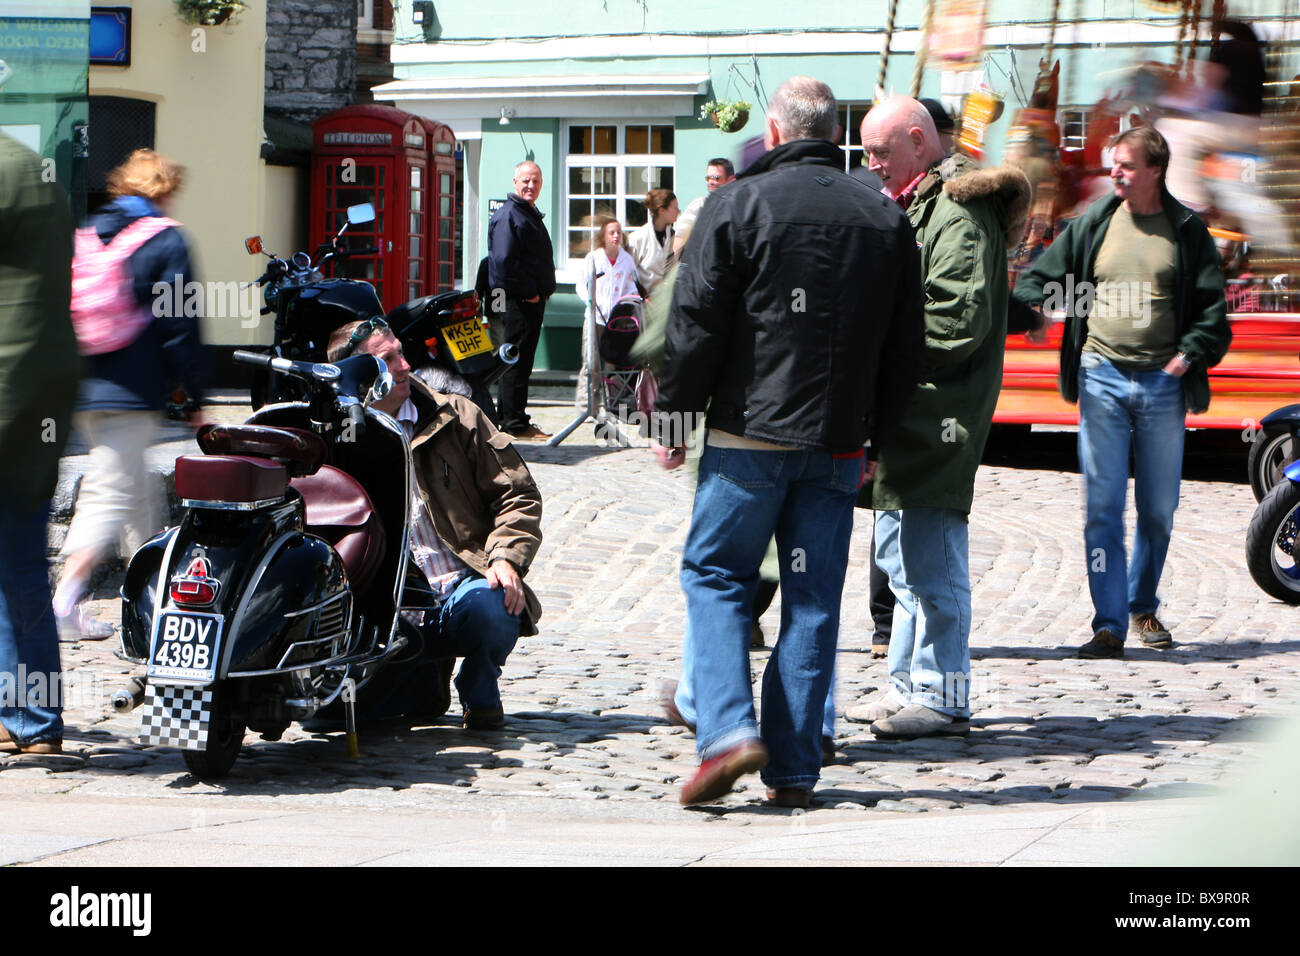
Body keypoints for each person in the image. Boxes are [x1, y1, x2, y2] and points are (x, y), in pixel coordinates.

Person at [653, 77, 924, 807]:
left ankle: (730, 733)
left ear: (773, 132)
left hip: (748, 438)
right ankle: (796, 766)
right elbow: (908, 348)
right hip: (836, 445)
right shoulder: (883, 216)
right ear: (832, 133)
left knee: (715, 576)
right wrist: (876, 440)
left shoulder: (737, 204)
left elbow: (694, 325)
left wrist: (673, 422)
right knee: (811, 598)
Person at [1013, 126, 1230, 658]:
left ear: (1155, 170)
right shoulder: (1093, 223)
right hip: (1101, 376)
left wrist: (1187, 356)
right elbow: (1036, 279)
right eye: (1115, 164)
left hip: (1163, 384)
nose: (1115, 173)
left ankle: (1142, 605)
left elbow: (1212, 313)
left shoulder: (1185, 229)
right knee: (1103, 509)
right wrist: (1037, 307)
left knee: (1158, 508)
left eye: (1127, 166)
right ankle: (1108, 624)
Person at [855, 96, 1030, 739]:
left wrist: (878, 350)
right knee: (900, 557)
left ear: (917, 141)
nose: (872, 167)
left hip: (939, 409)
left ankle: (945, 695)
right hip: (915, 404)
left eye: (880, 153)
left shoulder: (957, 207)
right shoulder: (923, 201)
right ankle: (906, 685)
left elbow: (957, 319)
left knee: (933, 561)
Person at [327, 319, 544, 729]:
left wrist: (505, 559)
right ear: (358, 375)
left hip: (459, 587)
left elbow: (517, 494)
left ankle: (478, 686)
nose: (406, 366)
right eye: (388, 360)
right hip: (384, 612)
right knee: (327, 722)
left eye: (401, 353)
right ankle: (424, 680)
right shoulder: (336, 433)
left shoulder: (457, 415)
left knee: (494, 605)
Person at [52, 149, 206, 637]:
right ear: (164, 189)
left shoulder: (88, 231)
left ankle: (160, 606)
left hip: (84, 381)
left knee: (138, 497)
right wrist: (195, 396)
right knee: (108, 494)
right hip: (131, 389)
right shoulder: (165, 238)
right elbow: (179, 322)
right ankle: (63, 603)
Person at [0, 129, 79, 755]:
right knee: (18, 563)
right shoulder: (34, 171)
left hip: (7, 389)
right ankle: (27, 717)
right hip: (39, 392)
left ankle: (27, 716)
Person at [487, 160, 556, 441]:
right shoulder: (510, 215)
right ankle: (514, 423)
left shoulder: (525, 212)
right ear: (515, 182)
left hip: (527, 301)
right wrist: (531, 292)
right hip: (517, 302)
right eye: (526, 180)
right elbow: (504, 263)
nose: (531, 185)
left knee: (518, 360)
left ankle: (512, 417)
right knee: (515, 360)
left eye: (536, 181)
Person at [574, 217, 640, 409]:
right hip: (594, 318)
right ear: (603, 236)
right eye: (612, 232)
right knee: (591, 362)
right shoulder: (593, 258)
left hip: (615, 321)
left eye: (619, 232)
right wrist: (590, 300)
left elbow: (632, 287)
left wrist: (625, 306)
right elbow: (581, 284)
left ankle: (609, 402)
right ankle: (587, 405)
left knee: (611, 362)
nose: (616, 236)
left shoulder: (627, 260)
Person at [672, 159, 735, 258]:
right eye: (708, 178)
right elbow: (679, 239)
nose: (710, 182)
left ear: (731, 180)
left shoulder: (740, 207)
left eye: (716, 178)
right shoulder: (699, 206)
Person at [627, 188, 679, 298]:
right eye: (674, 208)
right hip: (641, 304)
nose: (678, 211)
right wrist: (642, 297)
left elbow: (669, 269)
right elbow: (628, 274)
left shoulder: (671, 235)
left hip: (662, 302)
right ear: (662, 210)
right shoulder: (637, 238)